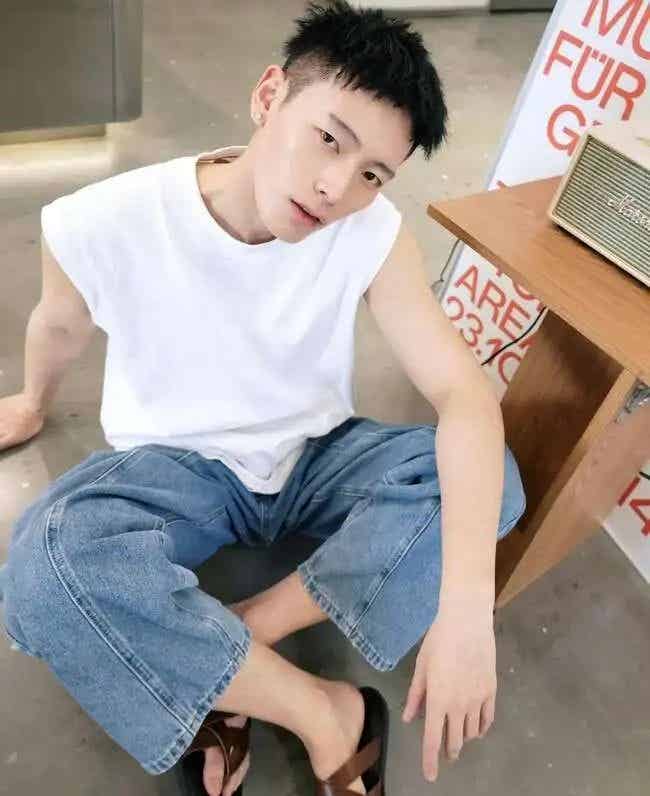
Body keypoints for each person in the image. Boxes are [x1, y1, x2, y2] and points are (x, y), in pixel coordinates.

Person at [0, 2, 526, 795]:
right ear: (269, 95)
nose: (336, 188)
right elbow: (59, 324)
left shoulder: (371, 233)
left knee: (491, 482)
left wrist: (466, 608)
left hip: (315, 453)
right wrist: (31, 400)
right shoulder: (105, 219)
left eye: (373, 174)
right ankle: (324, 711)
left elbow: (463, 395)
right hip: (178, 465)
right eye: (329, 139)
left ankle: (233, 645)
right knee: (46, 562)